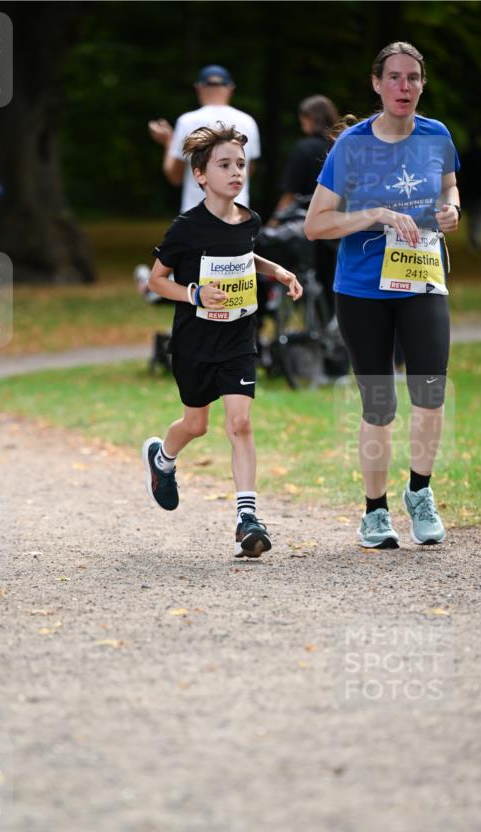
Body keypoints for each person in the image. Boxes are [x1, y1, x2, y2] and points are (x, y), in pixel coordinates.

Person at [305, 41, 461, 549]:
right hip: (363, 290)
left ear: (422, 83)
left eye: (413, 78)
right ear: (376, 84)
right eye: (394, 77)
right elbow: (315, 225)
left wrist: (451, 210)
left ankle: (420, 492)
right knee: (378, 402)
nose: (404, 87)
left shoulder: (437, 135)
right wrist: (372, 214)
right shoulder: (350, 146)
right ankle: (374, 513)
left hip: (421, 281)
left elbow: (449, 190)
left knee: (430, 392)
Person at [142, 124, 302, 558]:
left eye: (240, 165)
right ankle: (162, 458)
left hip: (238, 337)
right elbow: (157, 281)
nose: (236, 173)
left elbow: (245, 253)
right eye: (224, 165)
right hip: (195, 342)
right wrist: (193, 293)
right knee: (196, 424)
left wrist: (278, 271)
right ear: (199, 174)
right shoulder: (186, 228)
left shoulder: (248, 218)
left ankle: (247, 517)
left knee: (241, 423)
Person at [148, 65, 261, 213]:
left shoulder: (187, 121)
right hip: (238, 214)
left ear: (198, 87)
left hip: (196, 215)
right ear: (231, 87)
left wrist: (169, 142)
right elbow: (248, 169)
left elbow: (175, 176)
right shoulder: (248, 122)